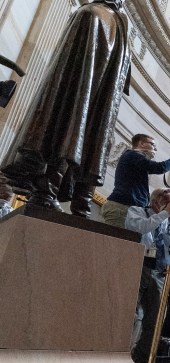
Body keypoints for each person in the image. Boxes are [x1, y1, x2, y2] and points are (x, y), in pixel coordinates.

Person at [0, 0, 131, 217]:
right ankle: (48, 193)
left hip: (97, 105)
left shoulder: (119, 23)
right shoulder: (93, 15)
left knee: (86, 137)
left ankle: (75, 201)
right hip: (76, 97)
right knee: (69, 128)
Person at [124, 187, 170, 363]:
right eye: (169, 201)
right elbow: (140, 227)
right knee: (132, 315)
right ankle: (120, 354)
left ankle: (140, 362)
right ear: (157, 200)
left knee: (155, 321)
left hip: (160, 271)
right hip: (139, 265)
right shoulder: (137, 211)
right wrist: (164, 214)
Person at [102, 134, 170, 227]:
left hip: (127, 208)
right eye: (153, 145)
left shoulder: (135, 159)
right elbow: (159, 168)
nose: (155, 149)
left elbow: (157, 167)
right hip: (121, 208)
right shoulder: (132, 155)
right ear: (142, 143)